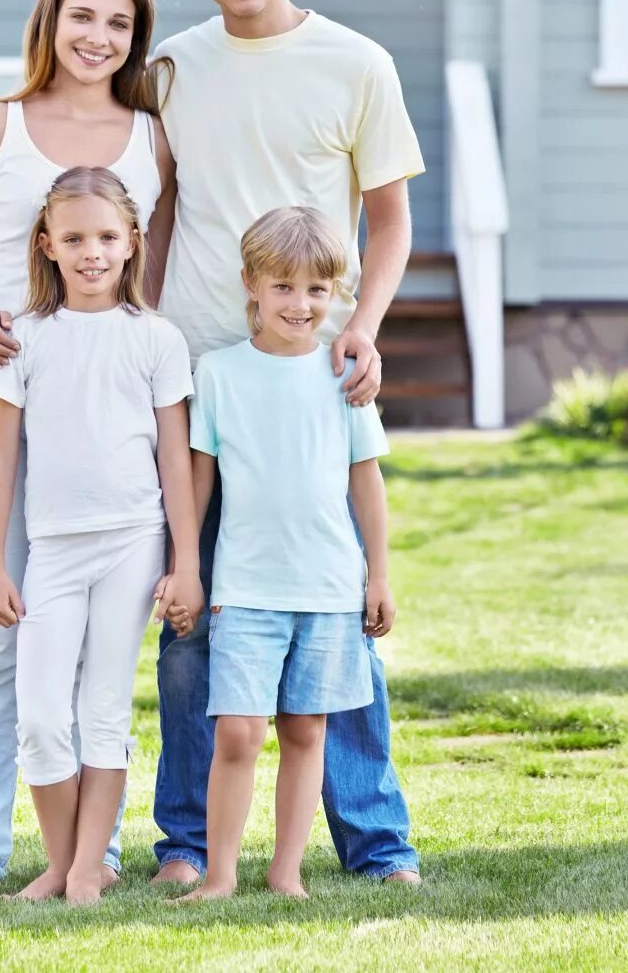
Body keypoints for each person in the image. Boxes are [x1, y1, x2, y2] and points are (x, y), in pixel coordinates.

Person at [148, 0, 424, 887]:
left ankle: (375, 840)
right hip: (201, 378)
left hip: (314, 372)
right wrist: (142, 324)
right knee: (194, 614)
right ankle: (187, 841)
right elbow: (161, 207)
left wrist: (363, 323)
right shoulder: (174, 67)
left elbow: (389, 221)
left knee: (335, 614)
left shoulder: (356, 64)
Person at [0, 0, 188, 891]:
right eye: (83, 17)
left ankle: (90, 855)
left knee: (93, 650)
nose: (98, 38)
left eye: (118, 23)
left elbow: (146, 283)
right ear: (51, 19)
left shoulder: (153, 138)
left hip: (101, 419)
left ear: (134, 37)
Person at [0, 167, 199, 905]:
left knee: (103, 707)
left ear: (133, 243)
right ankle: (61, 858)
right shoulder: (25, 338)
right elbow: (1, 456)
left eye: (107, 237)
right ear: (46, 245)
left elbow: (175, 457)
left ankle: (82, 871)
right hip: (54, 550)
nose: (92, 252)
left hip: (134, 542)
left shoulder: (157, 339)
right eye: (74, 238)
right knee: (41, 715)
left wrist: (185, 561)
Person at [173, 207, 397, 902]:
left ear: (335, 294)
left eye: (317, 290)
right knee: (239, 731)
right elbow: (199, 477)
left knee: (306, 730)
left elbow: (368, 479)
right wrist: (188, 563)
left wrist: (378, 576)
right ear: (251, 285)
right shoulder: (218, 373)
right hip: (244, 587)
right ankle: (218, 876)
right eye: (283, 288)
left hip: (329, 588)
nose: (300, 305)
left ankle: (287, 873)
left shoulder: (346, 377)